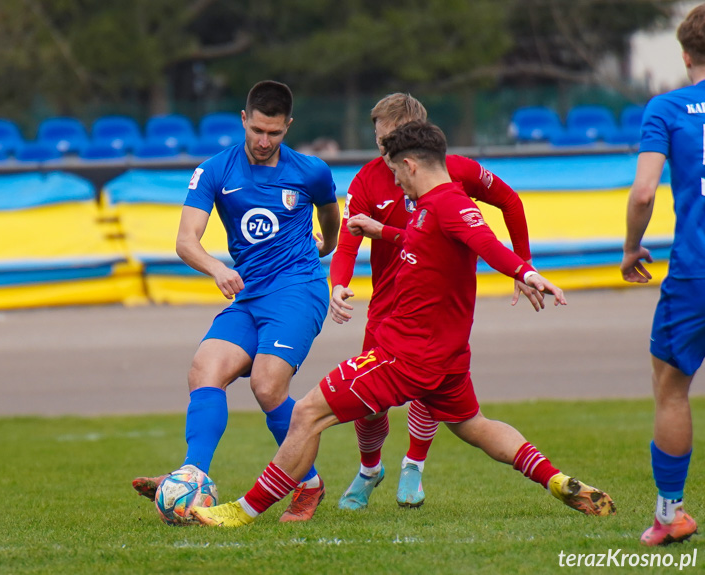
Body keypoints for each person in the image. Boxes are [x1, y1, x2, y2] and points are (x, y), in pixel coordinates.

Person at [191, 120, 615, 527]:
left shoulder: (449, 203)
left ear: (410, 165)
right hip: (446, 358)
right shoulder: (431, 206)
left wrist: (525, 272)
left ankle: (240, 512)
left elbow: (485, 242)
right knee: (475, 426)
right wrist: (382, 231)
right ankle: (556, 480)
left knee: (306, 414)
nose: (395, 183)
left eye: (397, 173)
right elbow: (424, 240)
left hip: (403, 355)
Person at [132, 80, 340, 522]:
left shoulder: (312, 171)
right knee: (203, 369)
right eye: (257, 130)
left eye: (275, 133)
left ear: (288, 127)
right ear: (243, 120)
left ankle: (308, 484)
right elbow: (186, 241)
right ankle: (192, 476)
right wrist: (217, 268)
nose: (264, 142)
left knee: (267, 386)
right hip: (248, 293)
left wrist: (325, 246)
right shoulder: (214, 171)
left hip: (298, 289)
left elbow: (330, 217)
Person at [329, 93, 541, 510]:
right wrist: (338, 284)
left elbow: (510, 201)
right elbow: (349, 241)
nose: (383, 150)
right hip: (387, 309)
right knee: (368, 404)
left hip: (440, 308)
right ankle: (370, 468)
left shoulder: (453, 172)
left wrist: (525, 264)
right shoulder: (366, 180)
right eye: (378, 138)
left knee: (432, 392)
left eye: (389, 139)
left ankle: (415, 464)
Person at [621, 3, 705, 547]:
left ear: (683, 53)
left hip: (696, 274)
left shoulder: (667, 108)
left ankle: (671, 514)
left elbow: (645, 191)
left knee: (671, 389)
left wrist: (631, 249)